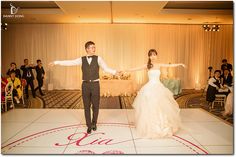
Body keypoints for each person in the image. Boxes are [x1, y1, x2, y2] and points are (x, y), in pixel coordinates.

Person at [49, 41, 121, 134]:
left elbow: (106, 68)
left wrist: (115, 72)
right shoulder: (81, 59)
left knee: (96, 106)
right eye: (92, 47)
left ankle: (94, 123)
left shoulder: (98, 58)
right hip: (85, 85)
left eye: (94, 47)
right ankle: (89, 125)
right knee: (86, 106)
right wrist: (56, 62)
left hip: (95, 85)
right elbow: (70, 62)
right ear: (87, 49)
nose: (94, 49)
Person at [124, 49, 184, 138]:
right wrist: (126, 70)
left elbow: (169, 65)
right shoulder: (147, 66)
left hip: (159, 87)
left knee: (160, 106)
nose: (153, 56)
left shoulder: (159, 65)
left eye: (154, 54)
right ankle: (150, 127)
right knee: (150, 107)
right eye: (151, 55)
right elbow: (136, 69)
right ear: (149, 56)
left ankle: (162, 125)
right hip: (150, 87)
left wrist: (179, 64)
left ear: (157, 56)